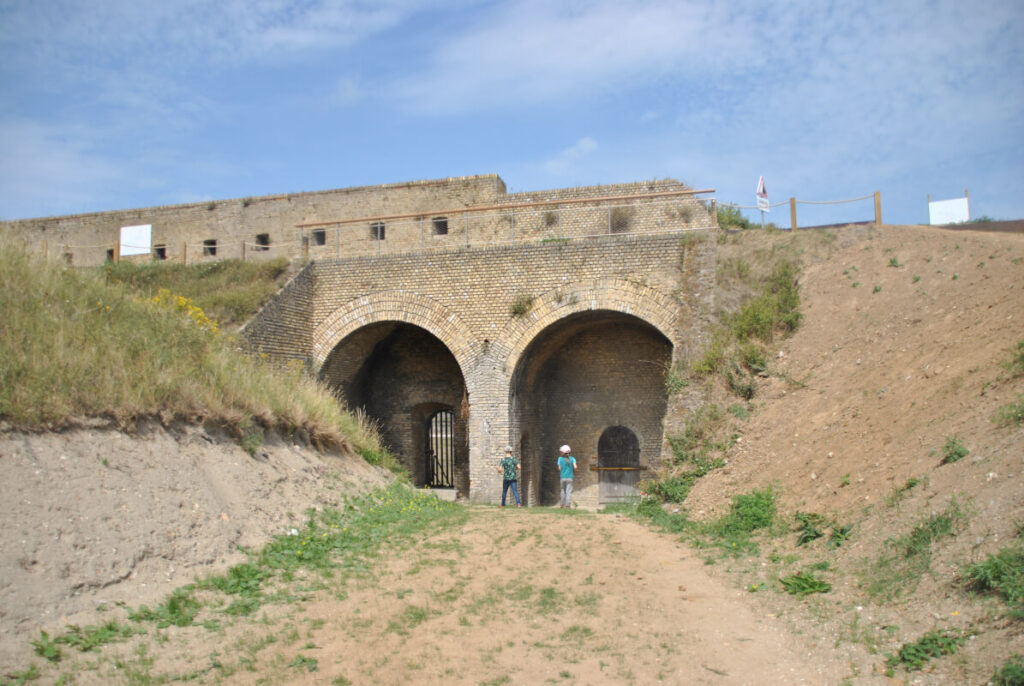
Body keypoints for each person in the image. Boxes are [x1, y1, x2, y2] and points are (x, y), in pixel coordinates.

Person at [557, 444, 577, 509]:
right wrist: (574, 472)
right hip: (570, 477)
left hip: (562, 477)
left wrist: (562, 470)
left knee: (562, 491)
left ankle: (562, 505)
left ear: (563, 452)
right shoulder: (572, 459)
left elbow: (559, 468)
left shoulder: (560, 458)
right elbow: (575, 467)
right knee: (568, 492)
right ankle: (568, 506)